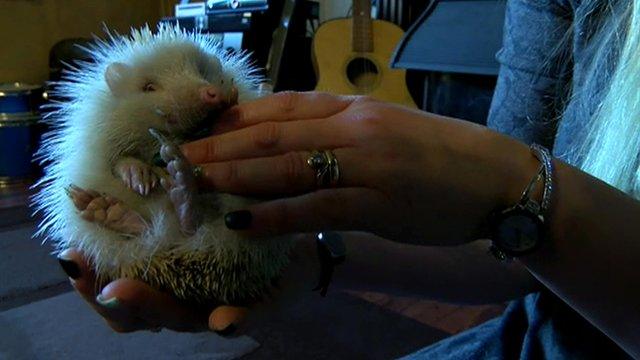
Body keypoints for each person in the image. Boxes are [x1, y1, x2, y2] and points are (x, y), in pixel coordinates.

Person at [56, 0, 640, 357]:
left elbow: (517, 218)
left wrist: (508, 185)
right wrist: (317, 253)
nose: (209, 91)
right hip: (546, 327)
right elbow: (509, 262)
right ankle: (168, 212)